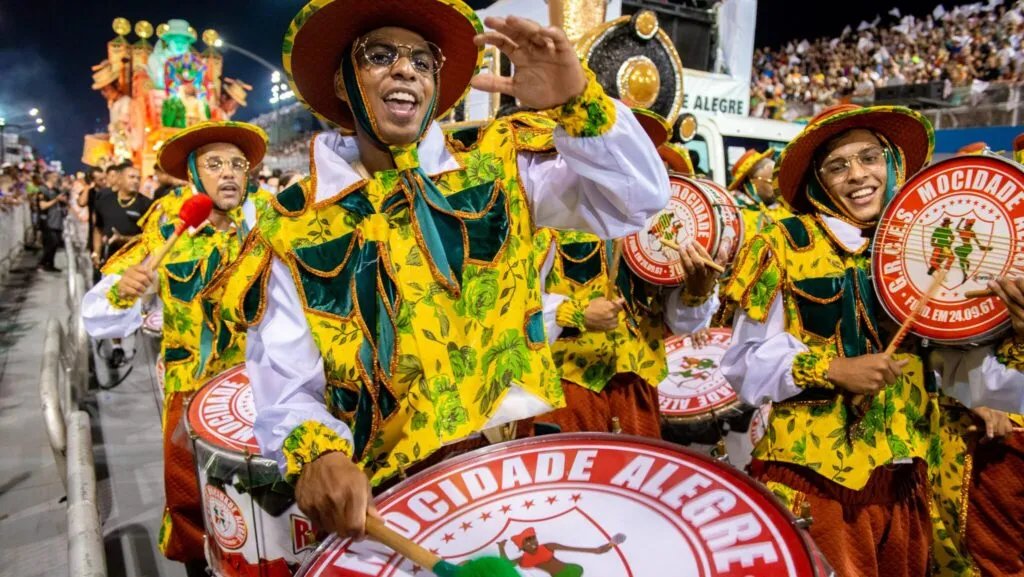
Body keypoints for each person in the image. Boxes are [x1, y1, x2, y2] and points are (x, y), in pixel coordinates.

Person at [209, 0, 669, 541]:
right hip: (391, 508)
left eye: (423, 61)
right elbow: (286, 384)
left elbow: (639, 201)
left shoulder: (499, 168)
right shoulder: (293, 226)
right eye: (380, 55)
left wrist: (578, 102)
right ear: (341, 83)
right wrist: (317, 453)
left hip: (521, 477)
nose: (406, 69)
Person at [721, 104, 938, 576]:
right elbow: (742, 363)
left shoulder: (923, 243)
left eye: (869, 158)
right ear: (818, 181)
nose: (858, 175)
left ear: (892, 162)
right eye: (838, 166)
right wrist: (831, 369)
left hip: (906, 476)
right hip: (813, 483)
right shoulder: (780, 242)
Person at [81, 121, 268, 577]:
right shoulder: (168, 227)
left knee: (272, 508)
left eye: (237, 164)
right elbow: (98, 314)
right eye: (215, 164)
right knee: (196, 506)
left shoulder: (270, 220)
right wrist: (127, 288)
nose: (229, 172)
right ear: (194, 175)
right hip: (192, 395)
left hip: (267, 387)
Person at [538, 110, 720, 437]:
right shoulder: (548, 210)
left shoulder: (663, 225)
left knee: (636, 471)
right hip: (565, 384)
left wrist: (697, 291)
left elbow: (683, 322)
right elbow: (512, 300)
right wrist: (573, 314)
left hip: (637, 386)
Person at [92, 163, 152, 265]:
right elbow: (98, 229)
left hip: (134, 262)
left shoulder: (147, 204)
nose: (136, 181)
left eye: (138, 178)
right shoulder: (105, 201)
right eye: (131, 177)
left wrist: (123, 239)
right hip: (108, 261)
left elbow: (150, 237)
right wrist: (96, 253)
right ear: (120, 179)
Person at [498, 527, 620, 577]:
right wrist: (501, 547)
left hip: (571, 570)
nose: (534, 544)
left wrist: (603, 547)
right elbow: (504, 564)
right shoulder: (523, 560)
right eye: (528, 542)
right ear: (522, 547)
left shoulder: (548, 547)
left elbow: (577, 549)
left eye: (534, 539)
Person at [36, 171, 66, 272]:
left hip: (57, 221)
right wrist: (56, 200)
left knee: (56, 243)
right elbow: (42, 206)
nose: (57, 178)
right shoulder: (42, 190)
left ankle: (50, 264)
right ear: (49, 177)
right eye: (55, 176)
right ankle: (42, 263)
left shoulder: (56, 190)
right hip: (47, 221)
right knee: (51, 242)